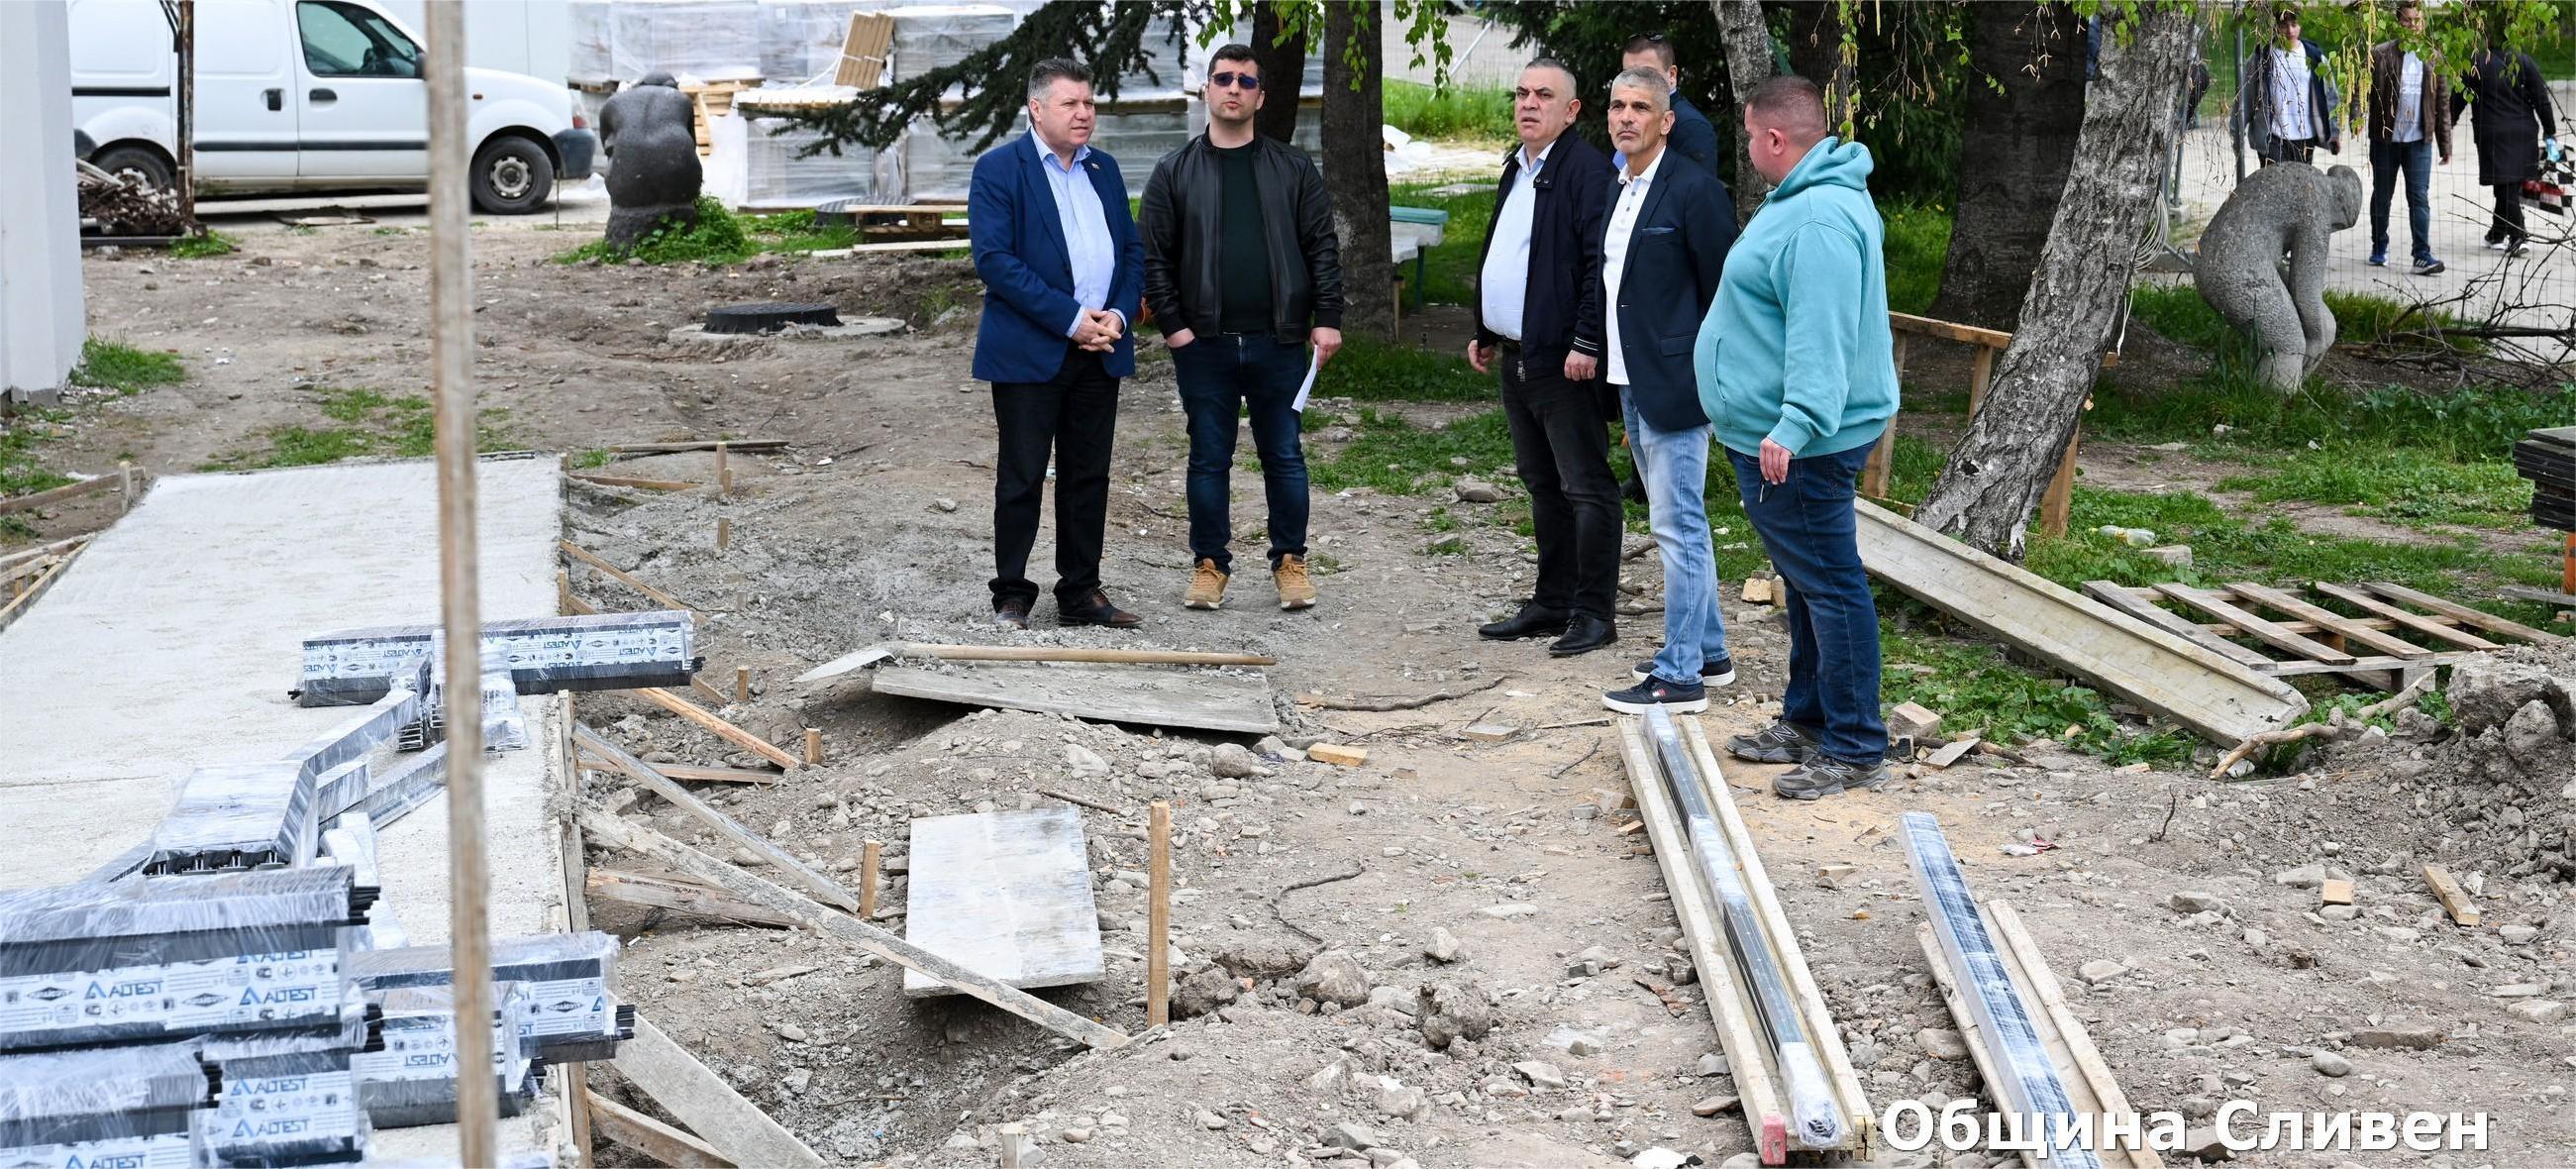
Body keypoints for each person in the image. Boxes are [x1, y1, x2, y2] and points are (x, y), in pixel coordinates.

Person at [1696, 75, 1899, 800]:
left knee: (1831, 586)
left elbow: (1822, 332)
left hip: (1804, 441)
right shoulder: (1800, 200)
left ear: (1775, 138)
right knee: (1810, 584)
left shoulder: (1816, 219)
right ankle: (1809, 721)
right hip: (1785, 434)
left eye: (1751, 135)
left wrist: (1796, 422)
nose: (1748, 147)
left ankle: (1854, 745)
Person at [1140, 43, 1344, 612]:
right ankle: (1210, 566)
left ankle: (1291, 562)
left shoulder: (1293, 168)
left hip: (1279, 340)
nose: (1234, 88)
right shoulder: (1173, 171)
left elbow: (1322, 247)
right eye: (1224, 78)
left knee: (1284, 454)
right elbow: (1153, 257)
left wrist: (1328, 318)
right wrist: (1175, 328)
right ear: (1207, 89)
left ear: (1261, 96)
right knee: (1209, 458)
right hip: (1203, 344)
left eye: (1246, 81)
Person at [967, 58, 1145, 630]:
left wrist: (1118, 315)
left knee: (1088, 475)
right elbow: (996, 261)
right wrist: (1072, 320)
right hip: (1030, 350)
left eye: (1089, 103)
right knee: (1022, 475)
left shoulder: (1104, 169)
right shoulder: (1000, 169)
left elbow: (1131, 252)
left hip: (1102, 348)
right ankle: (1012, 593)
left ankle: (1080, 592)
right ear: (1037, 108)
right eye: (1071, 104)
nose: (1084, 113)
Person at [1594, 67, 1739, 716]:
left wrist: (1706, 374)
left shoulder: (1694, 189)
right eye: (1618, 106)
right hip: (1629, 377)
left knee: (1677, 526)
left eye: (1640, 107)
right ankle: (1709, 652)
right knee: (1677, 520)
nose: (1626, 117)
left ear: (1666, 120)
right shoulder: (1618, 184)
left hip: (1676, 382)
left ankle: (1679, 676)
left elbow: (1722, 293)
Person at [1469, 59, 1619, 658]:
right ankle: (1553, 601)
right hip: (1517, 356)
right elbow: (1504, 250)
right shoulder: (1518, 166)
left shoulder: (1586, 171)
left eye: (1544, 95)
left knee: (1586, 486)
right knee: (1542, 483)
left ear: (1572, 110)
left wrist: (1586, 341)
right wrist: (1484, 327)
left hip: (1564, 360)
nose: (1528, 104)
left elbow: (1597, 266)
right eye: (1522, 93)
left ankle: (1594, 612)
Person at [2367, 0, 2450, 275]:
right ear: (2398, 22)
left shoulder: (2433, 57)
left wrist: (2445, 144)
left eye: (2417, 20)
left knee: (2419, 198)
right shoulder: (2380, 54)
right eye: (2407, 20)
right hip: (2385, 141)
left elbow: (2442, 104)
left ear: (2423, 23)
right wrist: (2355, 116)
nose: (2412, 26)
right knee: (2382, 196)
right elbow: (2361, 91)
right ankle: (2379, 245)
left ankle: (2421, 255)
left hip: (2418, 142)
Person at [2457, 37, 2555, 257]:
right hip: (2523, 132)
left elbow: (2459, 97)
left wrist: (2445, 126)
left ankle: (2518, 236)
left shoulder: (2476, 63)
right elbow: (2541, 99)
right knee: (2508, 185)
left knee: (2504, 185)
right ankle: (2497, 233)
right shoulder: (2524, 61)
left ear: (2486, 38)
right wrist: (2550, 131)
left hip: (2493, 134)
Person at [2239, 6, 2340, 166]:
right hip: (2273, 137)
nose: (2290, 30)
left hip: (2306, 138)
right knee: (2275, 181)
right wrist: (2237, 131)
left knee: (2302, 182)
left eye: (2294, 24)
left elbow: (2331, 97)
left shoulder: (2315, 57)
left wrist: (2334, 132)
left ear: (2300, 25)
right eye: (2283, 25)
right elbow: (2246, 96)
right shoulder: (2263, 58)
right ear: (2275, 26)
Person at [1616, 34, 1721, 177]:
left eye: (1647, 74)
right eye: (1628, 75)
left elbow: (1697, 188)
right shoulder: (1623, 116)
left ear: (1672, 75)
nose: (1635, 83)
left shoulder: (1691, 126)